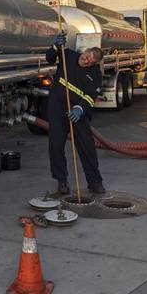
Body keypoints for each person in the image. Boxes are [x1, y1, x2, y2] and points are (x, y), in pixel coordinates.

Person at [46, 32, 106, 196]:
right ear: (85, 51)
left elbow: (90, 96)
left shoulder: (95, 75)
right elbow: (49, 58)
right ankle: (62, 182)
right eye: (86, 57)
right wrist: (55, 46)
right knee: (56, 146)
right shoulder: (68, 55)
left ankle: (94, 182)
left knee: (87, 147)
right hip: (57, 109)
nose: (85, 61)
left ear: (94, 64)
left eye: (90, 62)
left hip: (77, 113)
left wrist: (80, 109)